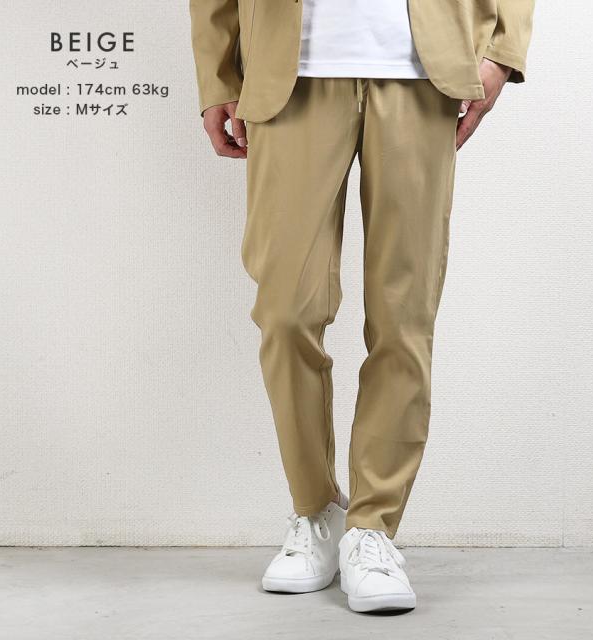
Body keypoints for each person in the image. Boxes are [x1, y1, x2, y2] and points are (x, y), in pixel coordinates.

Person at [189, 0, 534, 613]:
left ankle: (372, 528)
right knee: (286, 311)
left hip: (423, 70)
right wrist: (217, 75)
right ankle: (316, 511)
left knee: (405, 316)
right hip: (287, 73)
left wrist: (502, 52)